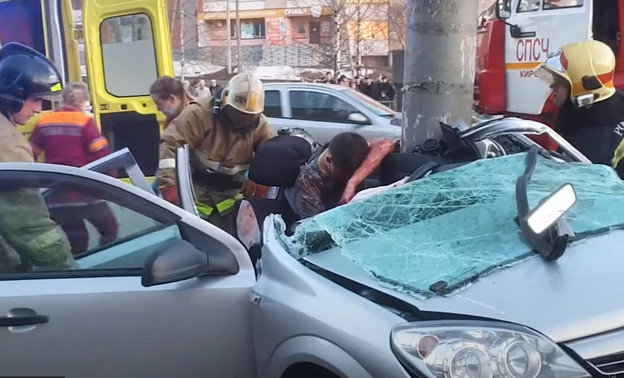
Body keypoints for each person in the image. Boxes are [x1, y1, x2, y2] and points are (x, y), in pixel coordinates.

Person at [156, 72, 275, 234]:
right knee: (193, 242)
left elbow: (271, 153)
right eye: (237, 115)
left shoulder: (260, 125)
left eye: (248, 117)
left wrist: (263, 180)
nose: (241, 122)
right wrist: (170, 185)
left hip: (232, 198)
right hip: (195, 195)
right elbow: (171, 145)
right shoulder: (198, 114)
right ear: (224, 102)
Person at [0, 42, 74, 271]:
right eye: (36, 99)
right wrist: (67, 271)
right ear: (13, 96)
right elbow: (30, 226)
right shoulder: (7, 142)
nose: (40, 109)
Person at [30, 82, 118, 255]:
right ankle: (102, 264)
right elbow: (102, 153)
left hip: (55, 195)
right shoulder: (85, 122)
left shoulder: (43, 122)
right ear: (84, 102)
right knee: (110, 229)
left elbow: (29, 154)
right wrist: (111, 183)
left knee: (76, 238)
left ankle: (76, 268)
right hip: (84, 192)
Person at [536, 40, 624, 176]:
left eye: (559, 82)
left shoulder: (591, 145)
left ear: (584, 87)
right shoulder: (615, 103)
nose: (552, 87)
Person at [284, 132, 369, 219]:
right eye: (344, 174)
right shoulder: (308, 183)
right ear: (329, 160)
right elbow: (314, 224)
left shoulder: (353, 157)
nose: (349, 178)